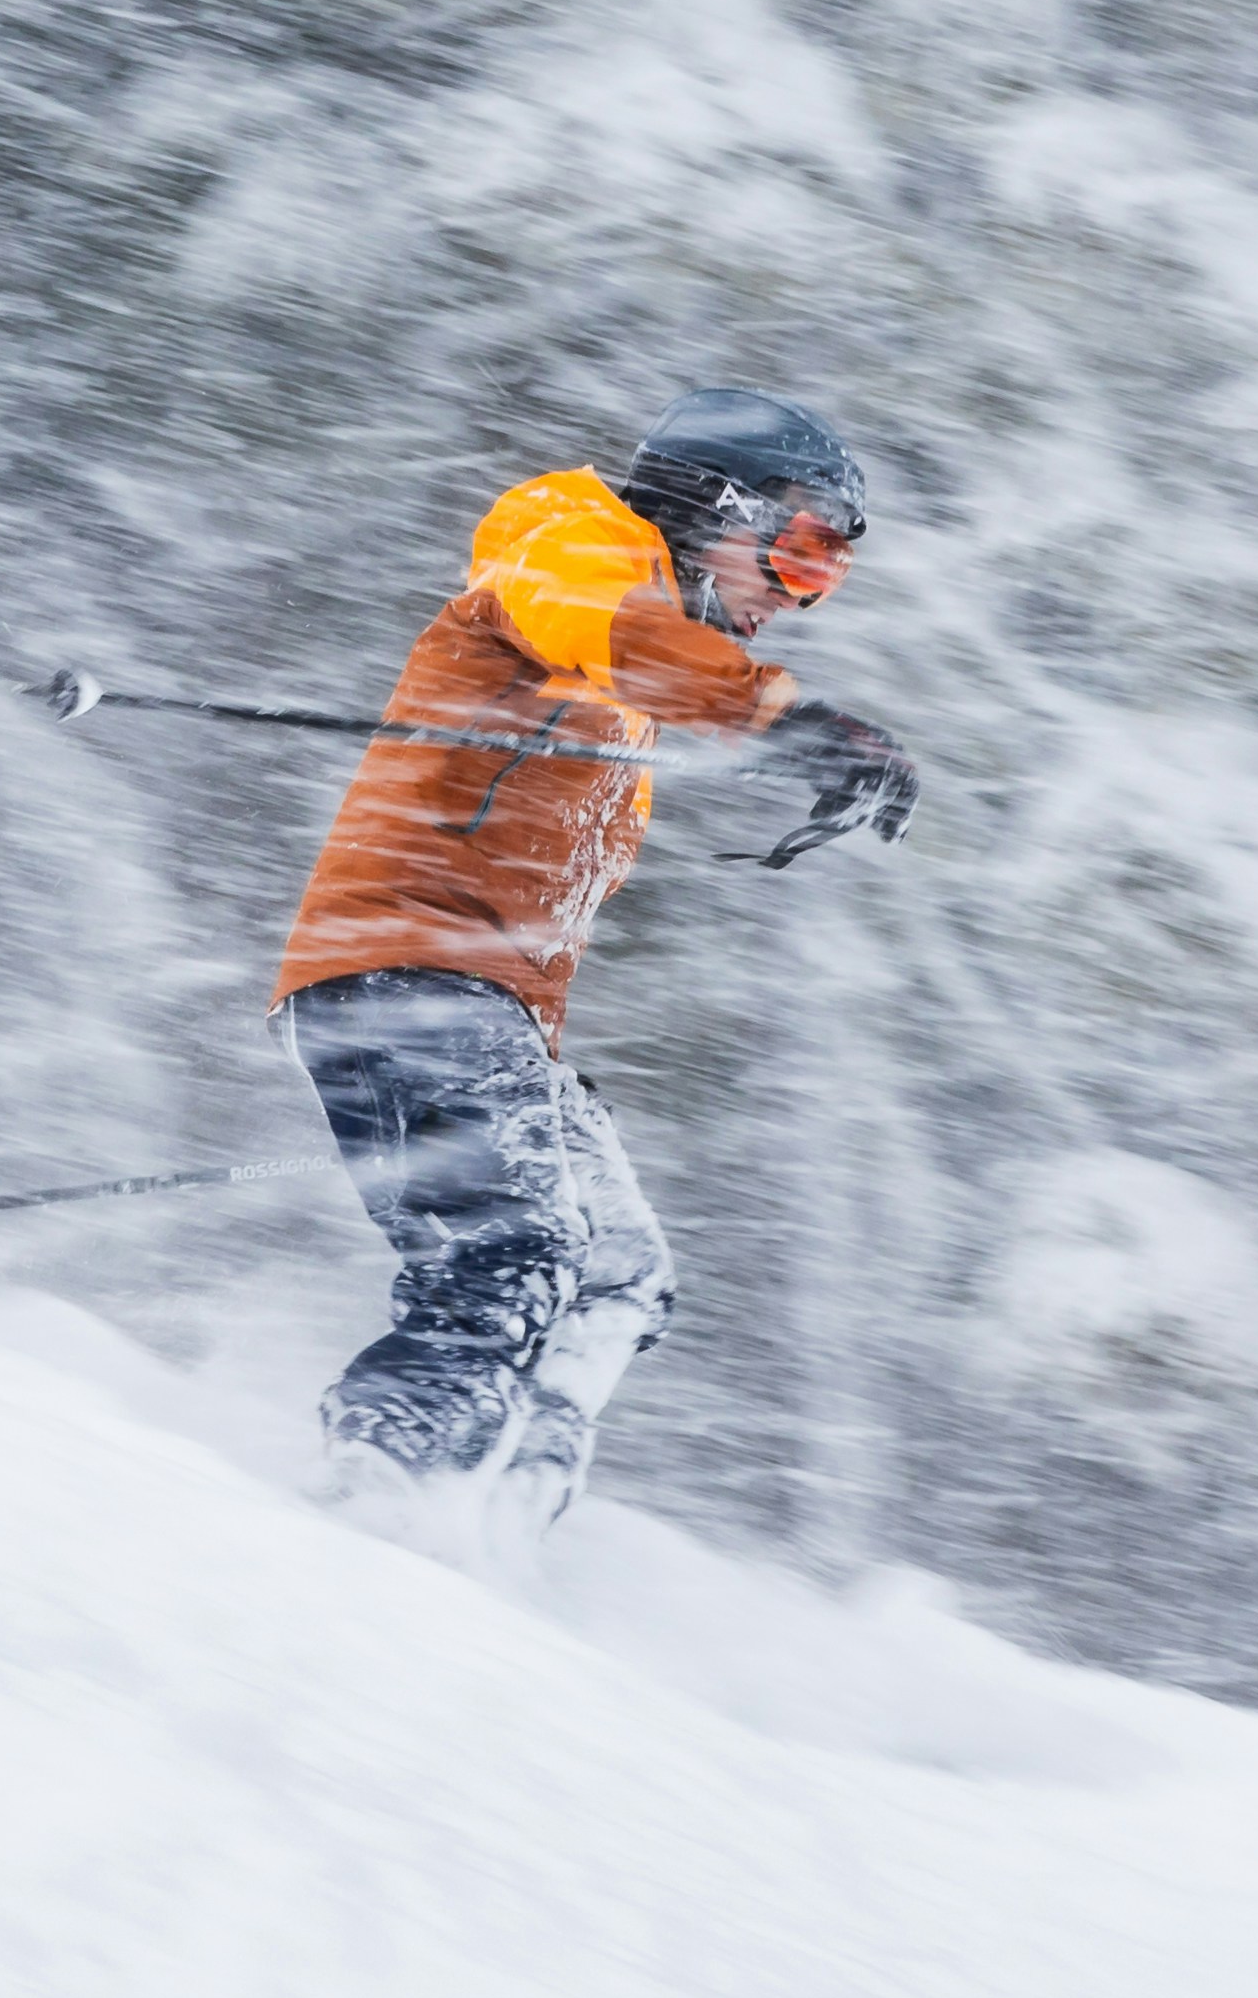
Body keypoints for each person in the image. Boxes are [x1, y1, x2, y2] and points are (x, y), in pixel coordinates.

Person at [268, 388, 916, 1571]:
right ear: (715, 505)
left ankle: (504, 1516)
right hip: (411, 978)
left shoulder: (635, 675)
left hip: (483, 1011)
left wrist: (763, 724)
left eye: (830, 570)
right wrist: (787, 719)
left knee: (620, 1270)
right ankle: (371, 1500)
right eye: (802, 548)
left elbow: (640, 671)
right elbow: (601, 625)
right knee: (512, 1255)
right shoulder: (569, 536)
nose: (800, 592)